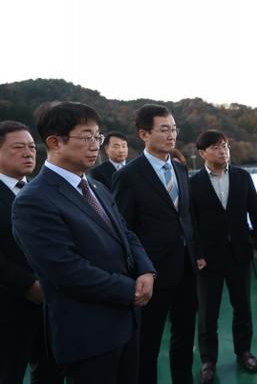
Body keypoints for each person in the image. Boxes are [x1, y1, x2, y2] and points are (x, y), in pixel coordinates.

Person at [12, 102, 155, 384]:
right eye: (87, 137)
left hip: (127, 323)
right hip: (90, 334)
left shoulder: (97, 187)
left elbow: (125, 233)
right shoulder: (34, 200)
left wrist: (146, 270)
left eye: (97, 137)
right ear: (54, 142)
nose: (95, 146)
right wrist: (130, 289)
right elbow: (66, 270)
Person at [113, 104, 197, 384]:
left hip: (186, 269)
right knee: (147, 343)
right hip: (152, 273)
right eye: (164, 129)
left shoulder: (181, 169)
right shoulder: (128, 176)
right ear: (144, 134)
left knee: (184, 335)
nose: (171, 135)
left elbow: (185, 216)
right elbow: (123, 229)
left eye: (173, 129)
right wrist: (139, 270)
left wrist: (196, 254)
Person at [190, 130, 257, 383]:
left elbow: (255, 210)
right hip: (208, 258)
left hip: (239, 253)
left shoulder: (241, 176)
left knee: (242, 307)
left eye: (224, 146)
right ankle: (208, 360)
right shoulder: (193, 183)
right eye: (215, 147)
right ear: (202, 153)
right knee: (208, 313)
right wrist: (197, 253)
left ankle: (244, 352)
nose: (222, 151)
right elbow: (191, 223)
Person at [0, 120, 63, 384]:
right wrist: (28, 285)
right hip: (8, 305)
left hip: (53, 304)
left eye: (31, 147)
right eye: (18, 147)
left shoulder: (44, 190)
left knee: (51, 372)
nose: (28, 153)